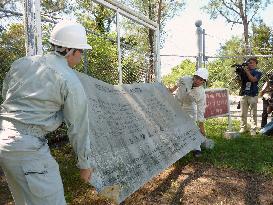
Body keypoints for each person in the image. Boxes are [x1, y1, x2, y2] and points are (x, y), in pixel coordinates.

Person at [0, 21, 93, 204]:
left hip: (4, 141)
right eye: (80, 51)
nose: (81, 57)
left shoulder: (22, 63)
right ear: (69, 50)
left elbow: (6, 97)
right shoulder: (68, 80)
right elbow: (78, 126)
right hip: (29, 151)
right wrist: (85, 164)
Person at [169, 68, 213, 157]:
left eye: (201, 80)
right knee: (174, 124)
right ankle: (176, 146)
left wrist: (201, 126)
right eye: (197, 78)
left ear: (203, 82)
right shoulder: (185, 79)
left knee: (192, 126)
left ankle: (196, 148)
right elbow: (175, 86)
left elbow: (201, 109)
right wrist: (170, 90)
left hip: (189, 106)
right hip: (176, 103)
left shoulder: (201, 93)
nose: (197, 81)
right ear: (193, 76)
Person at [238, 57, 262, 135]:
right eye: (249, 62)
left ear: (256, 64)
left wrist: (247, 72)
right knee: (243, 113)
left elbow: (253, 80)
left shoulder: (258, 72)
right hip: (244, 94)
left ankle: (253, 129)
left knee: (253, 113)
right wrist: (240, 72)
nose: (250, 64)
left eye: (252, 62)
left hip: (253, 95)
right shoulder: (244, 71)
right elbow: (240, 81)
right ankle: (243, 128)